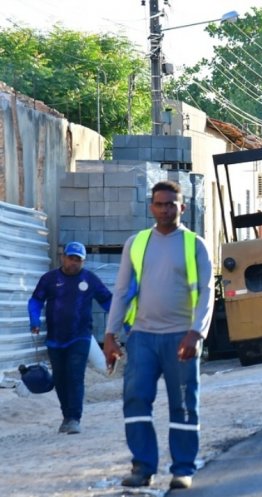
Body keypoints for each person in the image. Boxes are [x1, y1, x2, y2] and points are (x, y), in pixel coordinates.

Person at [103, 180, 214, 490]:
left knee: (183, 404)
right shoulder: (136, 243)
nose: (165, 209)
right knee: (136, 400)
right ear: (151, 207)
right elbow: (122, 290)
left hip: (181, 338)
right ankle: (142, 467)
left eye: (171, 204)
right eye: (160, 204)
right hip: (142, 338)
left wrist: (196, 332)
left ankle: (182, 469)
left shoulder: (195, 244)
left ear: (183, 207)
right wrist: (110, 335)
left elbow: (206, 292)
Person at [28, 241, 113, 435]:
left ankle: (74, 418)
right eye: (71, 258)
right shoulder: (49, 279)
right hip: (55, 339)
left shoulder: (90, 279)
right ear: (63, 257)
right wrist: (34, 320)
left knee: (75, 376)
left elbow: (107, 300)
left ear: (83, 262)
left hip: (80, 336)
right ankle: (66, 415)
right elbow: (36, 300)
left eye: (78, 260)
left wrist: (119, 323)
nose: (74, 263)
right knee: (60, 378)